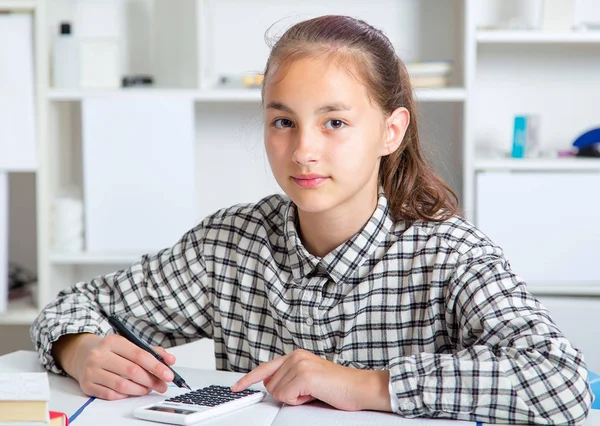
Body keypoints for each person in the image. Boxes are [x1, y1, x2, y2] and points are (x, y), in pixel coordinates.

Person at [31, 15, 591, 424]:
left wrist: (366, 386)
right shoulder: (227, 245)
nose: (303, 151)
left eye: (335, 123)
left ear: (389, 132)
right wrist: (78, 350)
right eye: (282, 122)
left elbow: (560, 381)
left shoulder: (450, 254)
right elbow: (74, 305)